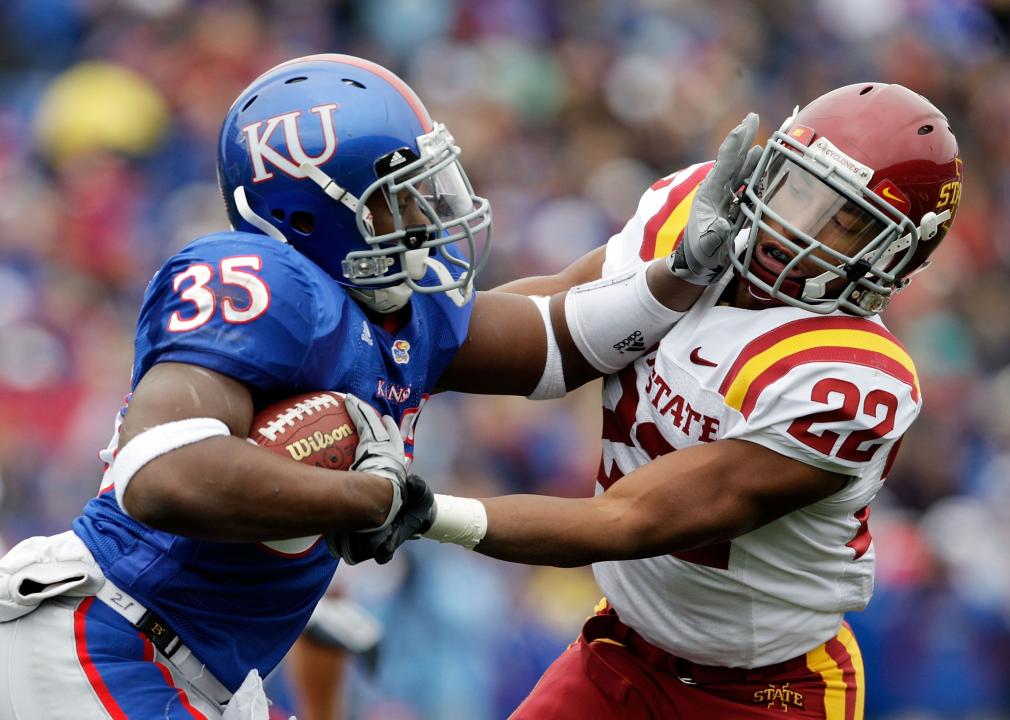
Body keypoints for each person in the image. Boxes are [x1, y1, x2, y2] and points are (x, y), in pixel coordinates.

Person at [0, 53, 723, 720]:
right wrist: (371, 498)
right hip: (111, 635)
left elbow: (562, 340)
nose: (425, 216)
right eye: (396, 195)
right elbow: (161, 473)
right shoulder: (264, 281)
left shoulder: (394, 310)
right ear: (311, 206)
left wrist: (685, 262)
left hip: (191, 665)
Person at [369, 82, 964, 718]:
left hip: (765, 692)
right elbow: (549, 323)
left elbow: (633, 520)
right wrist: (377, 344)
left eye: (842, 220)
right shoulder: (693, 213)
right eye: (796, 186)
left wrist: (430, 514)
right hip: (623, 645)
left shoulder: (852, 378)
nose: (796, 226)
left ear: (898, 254)